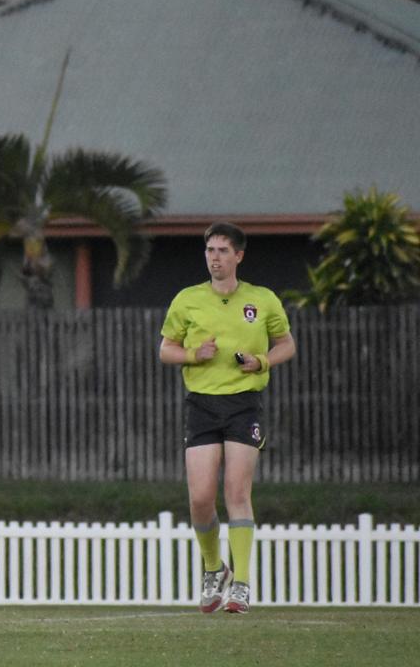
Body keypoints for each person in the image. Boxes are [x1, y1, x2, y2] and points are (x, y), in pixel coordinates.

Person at [159, 223, 296, 614]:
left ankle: (242, 584)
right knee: (201, 498)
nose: (214, 257)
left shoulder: (262, 299)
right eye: (209, 250)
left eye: (222, 250)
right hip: (201, 404)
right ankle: (213, 568)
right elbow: (165, 349)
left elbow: (286, 343)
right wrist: (192, 355)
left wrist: (262, 361)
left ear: (239, 256)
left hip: (243, 404)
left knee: (237, 492)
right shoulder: (187, 300)